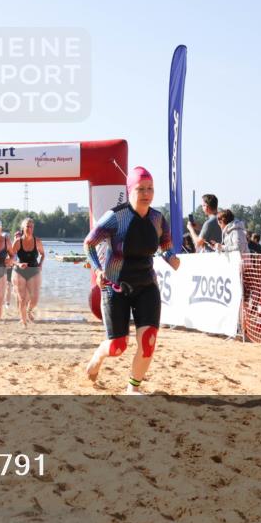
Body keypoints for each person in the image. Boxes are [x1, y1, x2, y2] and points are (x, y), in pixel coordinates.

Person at [83, 166, 180, 394]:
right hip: (115, 287)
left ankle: (132, 389)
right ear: (130, 191)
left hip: (146, 286)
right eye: (141, 189)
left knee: (148, 341)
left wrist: (170, 257)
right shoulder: (116, 217)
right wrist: (97, 271)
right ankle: (98, 356)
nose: (146, 193)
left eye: (150, 189)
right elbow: (89, 244)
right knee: (118, 347)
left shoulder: (157, 219)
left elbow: (165, 244)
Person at [9, 218, 45, 327]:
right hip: (19, 271)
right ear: (23, 228)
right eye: (27, 226)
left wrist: (40, 264)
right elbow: (10, 258)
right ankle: (24, 322)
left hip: (34, 270)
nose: (29, 229)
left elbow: (43, 254)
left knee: (35, 298)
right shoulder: (18, 242)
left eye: (31, 227)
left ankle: (28, 311)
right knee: (22, 298)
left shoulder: (37, 241)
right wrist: (18, 264)